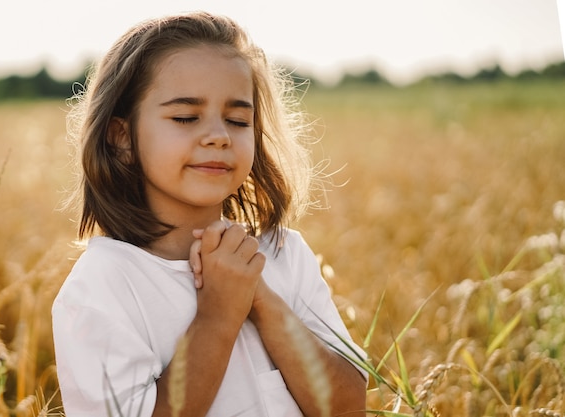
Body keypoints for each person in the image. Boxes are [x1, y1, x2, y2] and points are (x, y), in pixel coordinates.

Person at [52, 11, 368, 417]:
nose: (219, 136)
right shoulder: (102, 286)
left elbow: (348, 407)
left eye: (238, 120)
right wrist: (218, 315)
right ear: (122, 138)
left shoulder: (284, 255)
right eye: (186, 117)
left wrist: (262, 300)